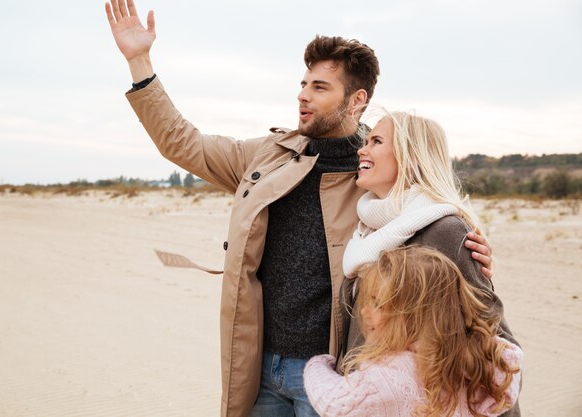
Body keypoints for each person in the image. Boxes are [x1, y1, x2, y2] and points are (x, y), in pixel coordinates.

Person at [104, 2, 494, 416]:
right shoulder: (268, 156)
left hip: (334, 374)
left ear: (356, 100)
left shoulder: (380, 176)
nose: (303, 95)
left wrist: (476, 256)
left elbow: (434, 226)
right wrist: (140, 62)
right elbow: (183, 143)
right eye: (304, 83)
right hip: (259, 366)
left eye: (320, 87)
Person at [328, 111, 521, 416]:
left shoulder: (446, 230)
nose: (361, 150)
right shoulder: (367, 230)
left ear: (411, 156)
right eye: (365, 141)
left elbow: (493, 341)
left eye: (376, 141)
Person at [303, 245, 523, 417]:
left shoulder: (384, 378)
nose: (364, 311)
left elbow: (333, 403)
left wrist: (318, 365)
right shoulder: (475, 362)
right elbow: (510, 362)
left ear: (413, 317)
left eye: (378, 304)